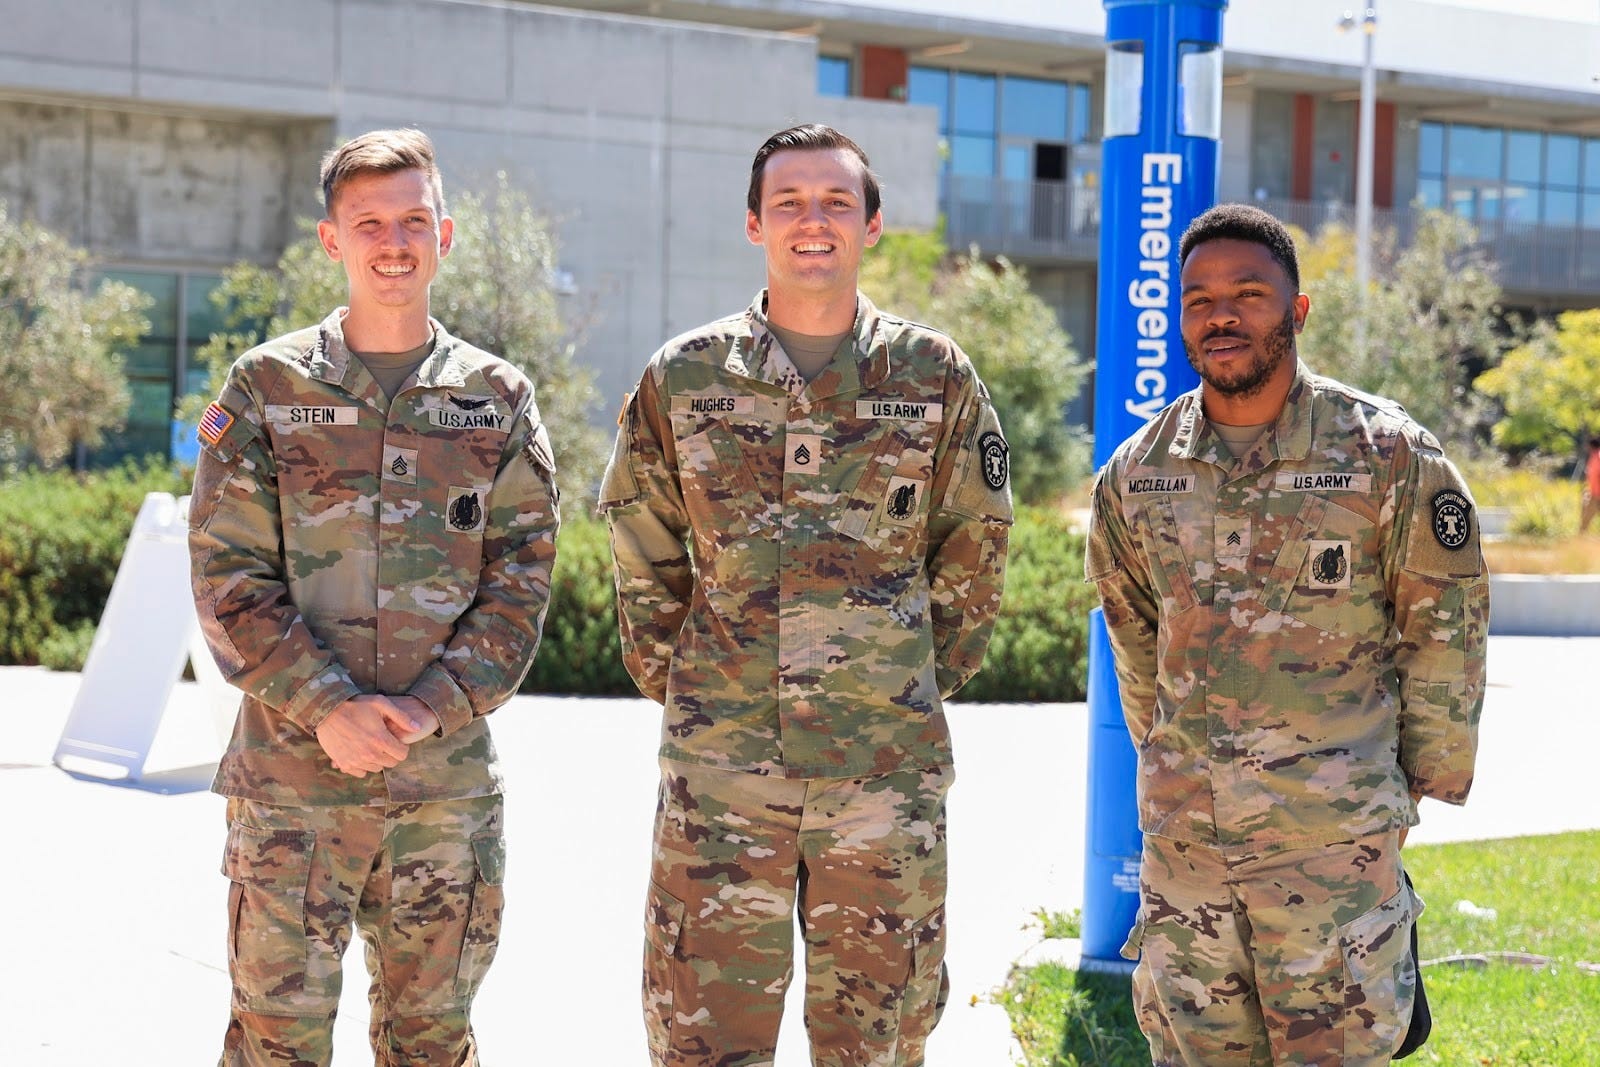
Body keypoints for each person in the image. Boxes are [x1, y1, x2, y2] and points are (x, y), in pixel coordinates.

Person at [598, 123, 1013, 1066]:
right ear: (754, 223)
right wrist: (694, 684)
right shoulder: (686, 375)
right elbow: (640, 538)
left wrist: (902, 678)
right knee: (702, 1037)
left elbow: (975, 543)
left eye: (836, 202)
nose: (812, 221)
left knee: (880, 1038)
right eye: (788, 202)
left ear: (872, 224)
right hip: (722, 776)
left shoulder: (934, 375)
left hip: (883, 777)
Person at [188, 127, 560, 1065]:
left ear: (445, 233)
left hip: (443, 797)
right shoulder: (267, 388)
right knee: (275, 1042)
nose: (393, 242)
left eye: (413, 220)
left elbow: (522, 581)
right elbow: (227, 575)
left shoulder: (497, 399)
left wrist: (431, 707)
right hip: (291, 792)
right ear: (331, 240)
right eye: (368, 223)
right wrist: (328, 707)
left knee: (433, 1041)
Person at [1085, 203, 1488, 1066]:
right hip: (1189, 870)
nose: (1221, 316)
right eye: (1199, 300)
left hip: (1330, 864)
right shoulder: (1137, 474)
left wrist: (1397, 801)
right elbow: (1136, 648)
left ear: (1296, 310)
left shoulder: (1387, 455)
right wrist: (1178, 777)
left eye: (1248, 294)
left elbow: (1444, 637)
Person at [1580, 435, 1600, 534]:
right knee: (1585, 518)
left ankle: (1581, 538)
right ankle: (1582, 538)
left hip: (1597, 494)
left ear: (1591, 446)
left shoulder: (1598, 457)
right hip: (1594, 492)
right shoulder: (1593, 457)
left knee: (1586, 520)